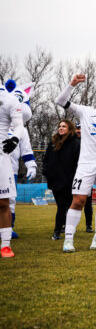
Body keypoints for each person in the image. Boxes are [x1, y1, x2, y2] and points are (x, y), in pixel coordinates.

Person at [54, 75, 96, 251]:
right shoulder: (86, 111)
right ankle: (68, 239)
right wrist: (72, 85)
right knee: (78, 200)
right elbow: (60, 100)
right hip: (86, 164)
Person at [43, 120, 80, 243]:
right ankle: (63, 227)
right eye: (59, 126)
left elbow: (77, 162)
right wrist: (46, 171)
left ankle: (58, 230)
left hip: (69, 181)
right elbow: (46, 159)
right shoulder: (53, 142)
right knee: (61, 206)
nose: (61, 128)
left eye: (64, 126)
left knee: (64, 207)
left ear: (70, 128)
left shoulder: (75, 143)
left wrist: (72, 178)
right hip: (55, 180)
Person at [0, 88, 26, 258]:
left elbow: (19, 125)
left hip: (1, 155)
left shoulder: (9, 99)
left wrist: (15, 139)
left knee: (3, 203)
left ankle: (6, 245)